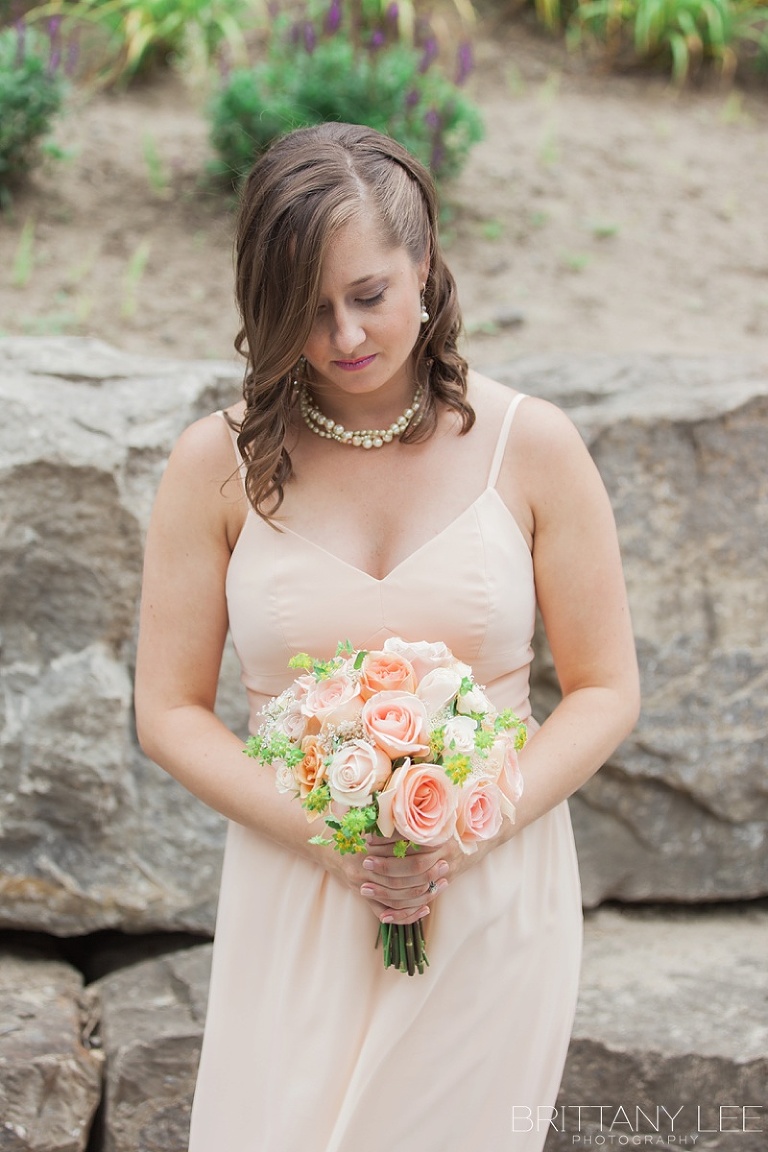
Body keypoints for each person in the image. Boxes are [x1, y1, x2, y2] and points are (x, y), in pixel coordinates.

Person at [134, 121, 640, 1152]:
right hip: (298, 890)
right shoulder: (212, 466)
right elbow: (168, 711)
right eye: (305, 307)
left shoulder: (532, 447)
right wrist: (333, 841)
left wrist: (471, 827)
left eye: (368, 294)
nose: (343, 335)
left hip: (489, 890)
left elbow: (605, 689)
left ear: (424, 265)